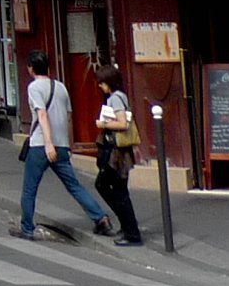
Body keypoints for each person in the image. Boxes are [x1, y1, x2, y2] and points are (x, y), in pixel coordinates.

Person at [16, 50, 112, 240]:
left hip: (41, 145)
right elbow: (68, 117)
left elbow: (41, 114)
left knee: (29, 189)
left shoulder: (34, 87)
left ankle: (26, 228)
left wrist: (48, 143)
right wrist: (67, 144)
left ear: (31, 68)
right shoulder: (60, 87)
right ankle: (100, 218)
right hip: (61, 145)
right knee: (74, 185)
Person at [93, 64, 143, 247]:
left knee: (108, 187)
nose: (100, 86)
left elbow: (122, 123)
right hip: (121, 151)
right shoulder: (120, 96)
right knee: (118, 189)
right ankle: (128, 226)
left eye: (102, 82)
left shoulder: (115, 99)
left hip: (116, 152)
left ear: (109, 82)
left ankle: (131, 231)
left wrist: (103, 124)